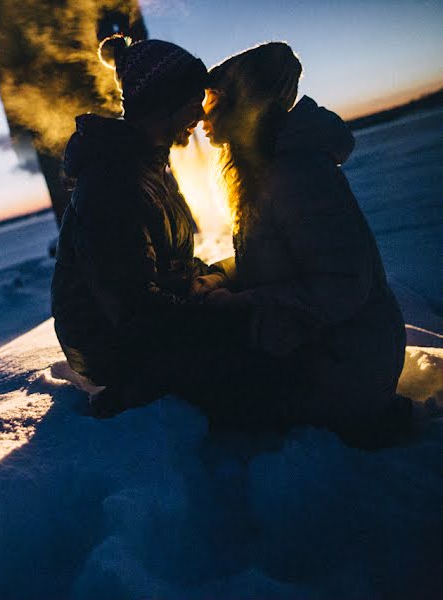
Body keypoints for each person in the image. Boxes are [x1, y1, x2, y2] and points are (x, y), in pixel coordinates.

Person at [196, 42, 409, 447]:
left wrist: (241, 304)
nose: (201, 115)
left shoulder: (296, 172)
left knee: (205, 390)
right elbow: (275, 259)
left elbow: (343, 283)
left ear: (246, 102)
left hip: (348, 364)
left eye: (213, 100)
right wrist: (219, 275)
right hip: (321, 349)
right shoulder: (263, 167)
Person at [51, 37, 229, 416]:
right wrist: (220, 314)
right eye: (193, 100)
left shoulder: (149, 167)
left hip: (144, 325)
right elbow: (132, 307)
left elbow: (163, 267)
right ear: (163, 102)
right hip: (113, 349)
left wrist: (217, 277)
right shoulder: (113, 183)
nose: (201, 114)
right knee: (261, 344)